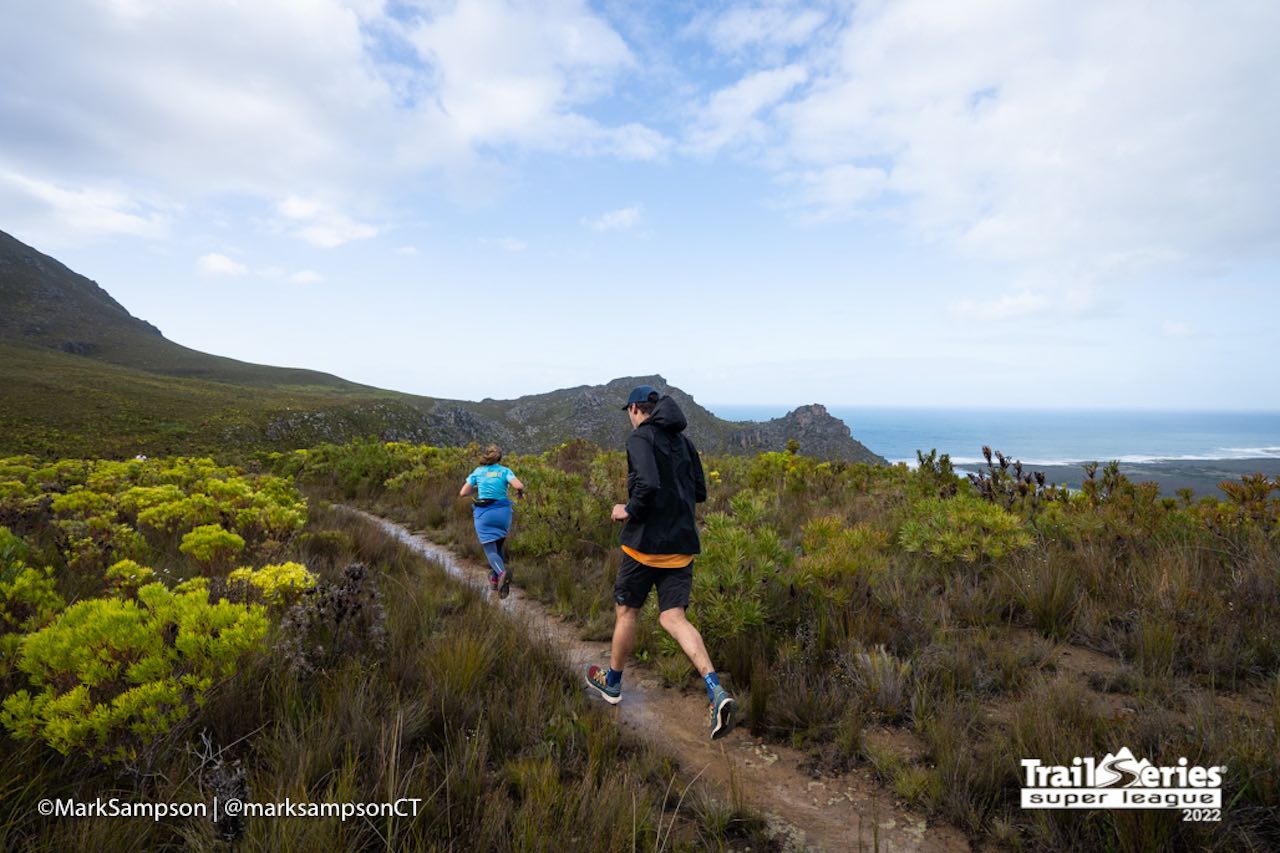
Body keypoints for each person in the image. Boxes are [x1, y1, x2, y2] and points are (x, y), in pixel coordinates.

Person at [585, 386, 736, 740]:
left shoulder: (640, 438)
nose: (629, 415)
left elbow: (649, 483)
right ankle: (715, 690)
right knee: (674, 618)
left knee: (627, 612)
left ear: (637, 409)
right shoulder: (684, 442)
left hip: (643, 548)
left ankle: (613, 683)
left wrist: (628, 510)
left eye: (629, 410)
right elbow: (700, 491)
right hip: (681, 547)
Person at [459, 444, 525, 598]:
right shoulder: (504, 471)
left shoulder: (478, 472)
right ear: (499, 458)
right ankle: (495, 580)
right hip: (503, 513)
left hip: (485, 514)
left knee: (489, 549)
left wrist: (479, 487)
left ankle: (502, 573)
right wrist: (520, 493)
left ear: (485, 457)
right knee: (499, 545)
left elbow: (463, 493)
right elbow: (518, 485)